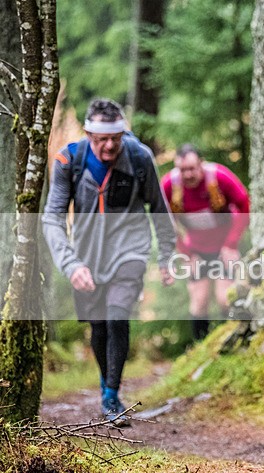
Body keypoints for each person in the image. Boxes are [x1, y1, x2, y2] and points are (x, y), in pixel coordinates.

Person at [43, 98, 176, 426]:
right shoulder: (68, 160)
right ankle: (107, 386)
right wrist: (71, 265)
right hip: (86, 256)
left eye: (115, 137)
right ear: (88, 133)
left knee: (118, 315)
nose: (109, 145)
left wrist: (168, 256)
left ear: (122, 132)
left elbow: (159, 208)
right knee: (98, 325)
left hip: (131, 249)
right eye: (101, 139)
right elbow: (51, 218)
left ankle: (112, 396)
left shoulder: (140, 157)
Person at [161, 144, 250, 340]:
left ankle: (234, 342)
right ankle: (200, 348)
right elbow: (167, 225)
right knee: (199, 300)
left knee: (225, 297)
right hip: (197, 250)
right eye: (182, 170)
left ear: (201, 164)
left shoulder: (218, 178)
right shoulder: (170, 186)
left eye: (192, 168)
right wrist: (186, 254)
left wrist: (231, 244)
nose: (188, 175)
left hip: (225, 247)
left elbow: (244, 204)